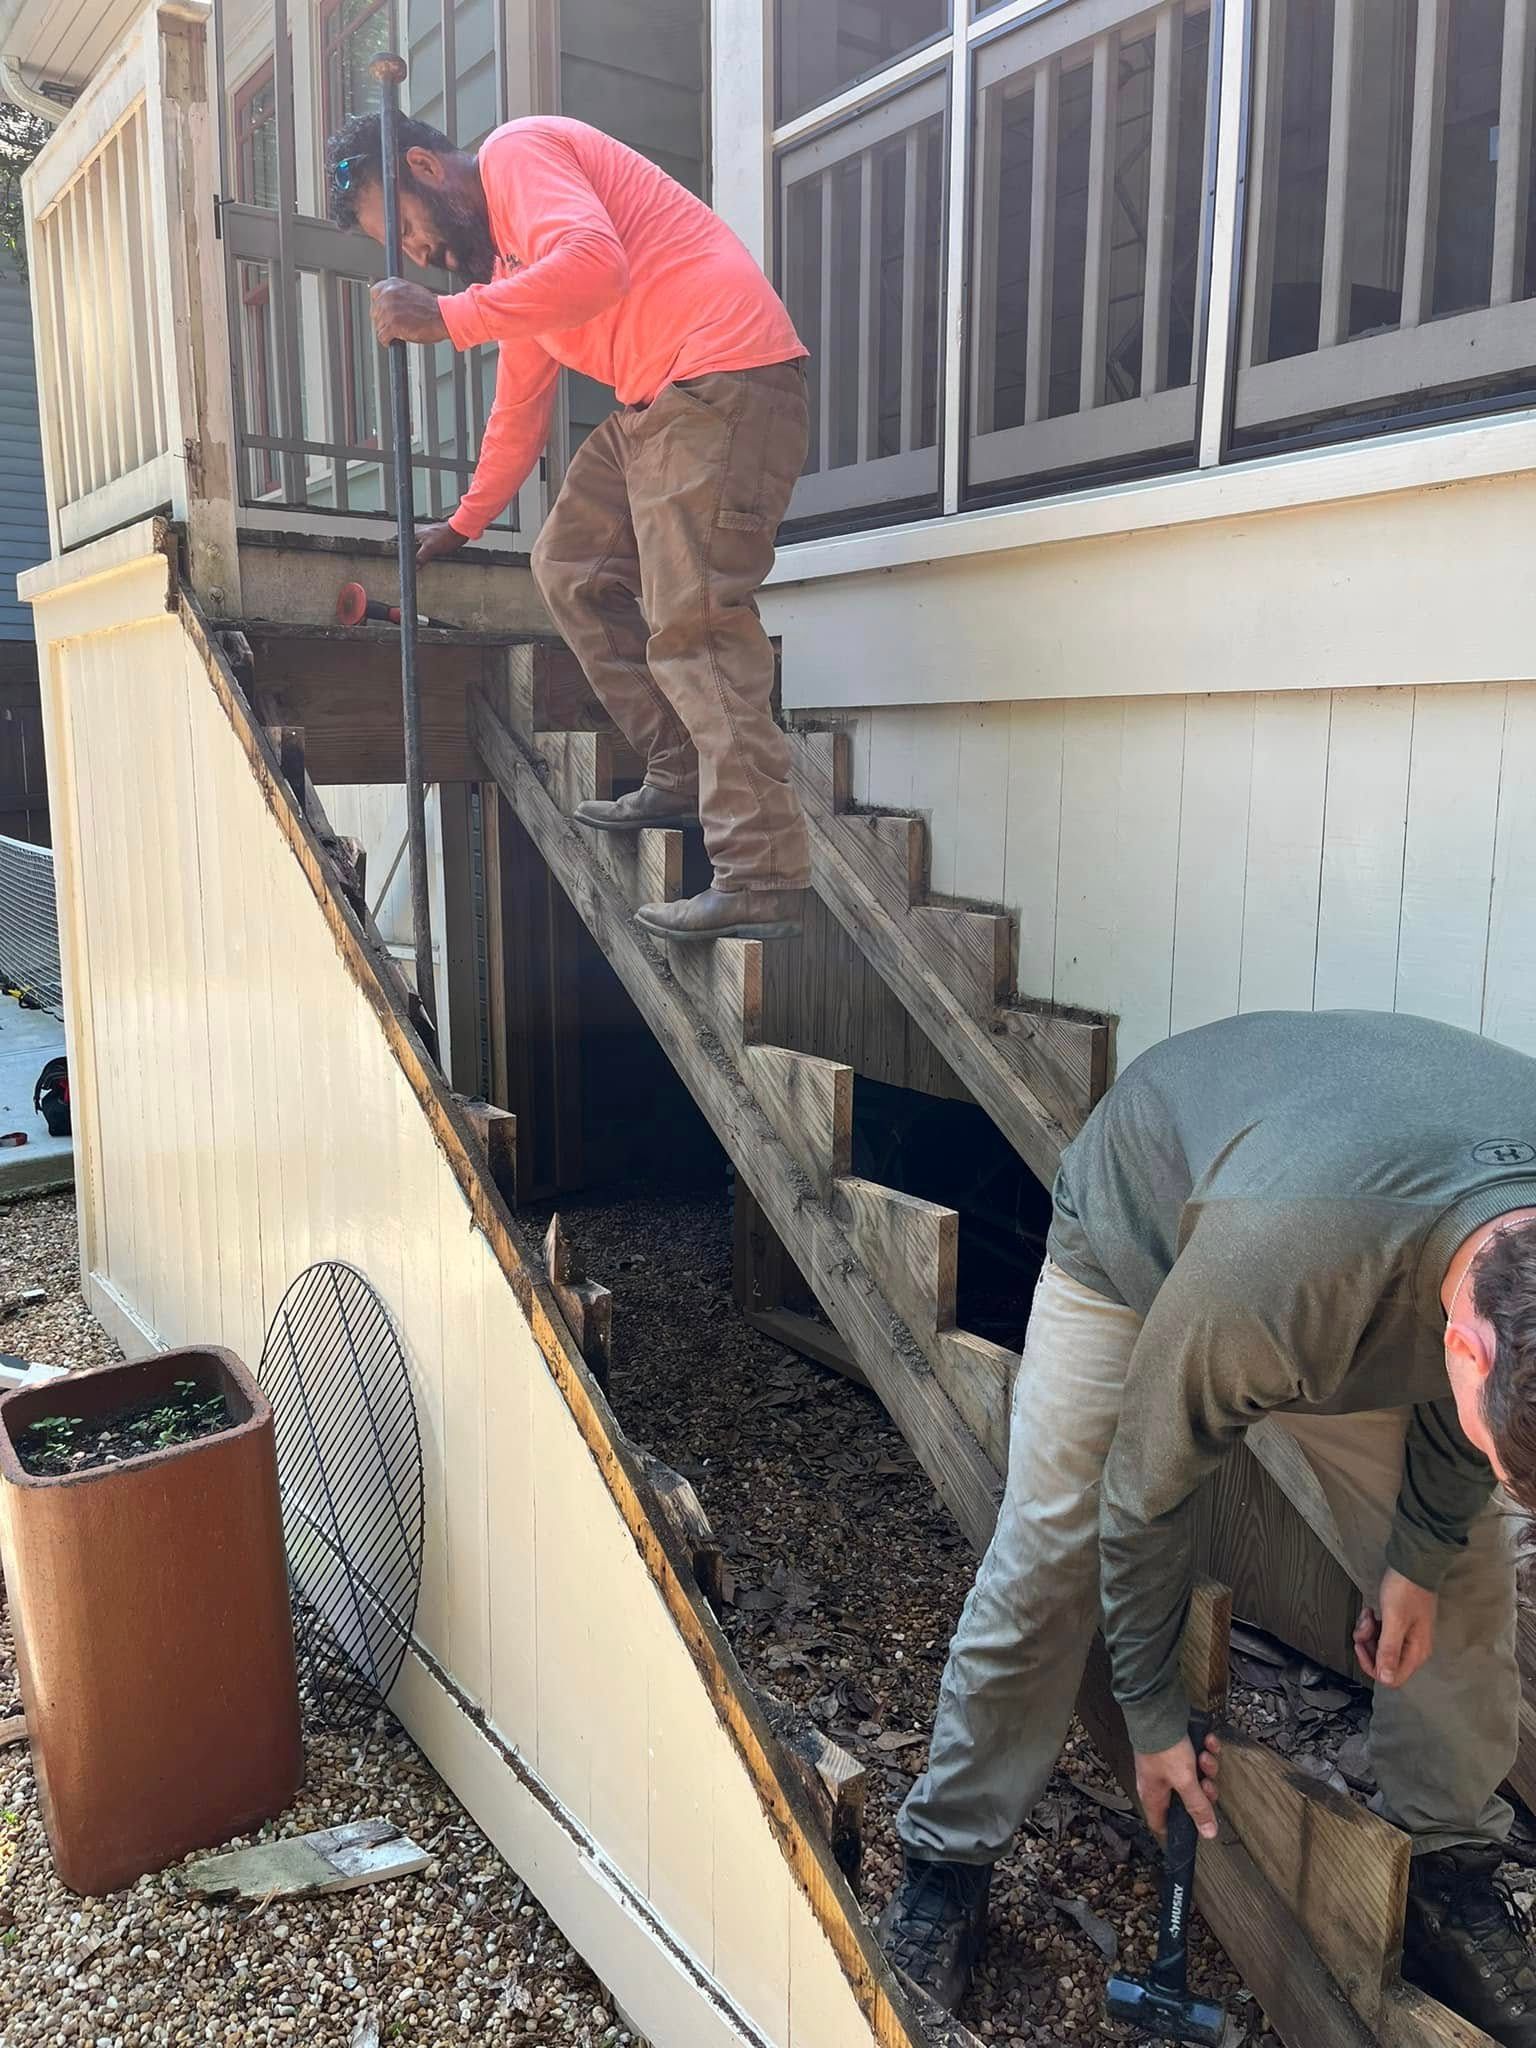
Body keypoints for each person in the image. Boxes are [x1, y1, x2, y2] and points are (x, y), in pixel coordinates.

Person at [878, 1008, 1536, 2047]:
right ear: (1461, 1346)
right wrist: (1151, 1715)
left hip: (1353, 1219)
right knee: (1052, 1551)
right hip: (1151, 1222)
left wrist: (1414, 1557)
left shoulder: (1503, 1282)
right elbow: (1146, 1489)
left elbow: (1493, 1403)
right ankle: (946, 1858)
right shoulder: (1275, 1273)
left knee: (1462, 1574)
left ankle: (1445, 1872)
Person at [325, 110, 812, 943]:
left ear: (426, 166)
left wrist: (447, 319)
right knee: (568, 566)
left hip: (723, 377)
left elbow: (595, 267)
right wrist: (466, 523)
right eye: (401, 249)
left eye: (406, 227)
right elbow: (519, 406)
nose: (420, 256)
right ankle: (680, 768)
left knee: (694, 623)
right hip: (658, 402)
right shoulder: (515, 263)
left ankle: (761, 869)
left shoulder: (518, 153)